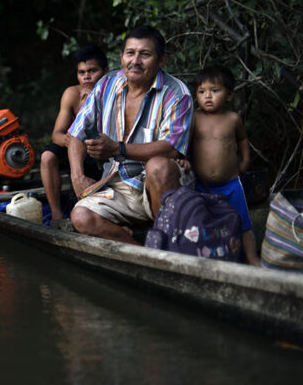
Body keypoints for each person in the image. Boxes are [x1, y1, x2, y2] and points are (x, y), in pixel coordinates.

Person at [67, 25, 194, 244]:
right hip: (116, 185)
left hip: (158, 184)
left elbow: (171, 148)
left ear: (161, 60)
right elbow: (77, 132)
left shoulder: (177, 93)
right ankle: (145, 254)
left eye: (145, 54)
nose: (135, 61)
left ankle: (169, 244)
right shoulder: (106, 84)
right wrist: (77, 175)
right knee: (81, 216)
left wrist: (119, 149)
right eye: (130, 53)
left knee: (158, 166)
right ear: (121, 57)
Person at [187, 65, 260, 265]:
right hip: (202, 185)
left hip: (231, 184)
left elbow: (243, 140)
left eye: (215, 91)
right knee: (205, 223)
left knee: (243, 223)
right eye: (201, 92)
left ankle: (252, 258)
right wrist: (183, 159)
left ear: (229, 95)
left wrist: (245, 161)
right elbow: (185, 143)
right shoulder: (195, 118)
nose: (207, 96)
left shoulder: (232, 119)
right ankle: (212, 258)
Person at [40, 45, 108, 222]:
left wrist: (93, 104)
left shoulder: (114, 93)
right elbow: (56, 134)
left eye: (92, 71)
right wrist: (73, 142)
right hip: (76, 149)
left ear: (105, 72)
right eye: (81, 72)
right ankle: (56, 215)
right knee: (47, 156)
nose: (86, 76)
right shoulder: (72, 94)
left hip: (102, 150)